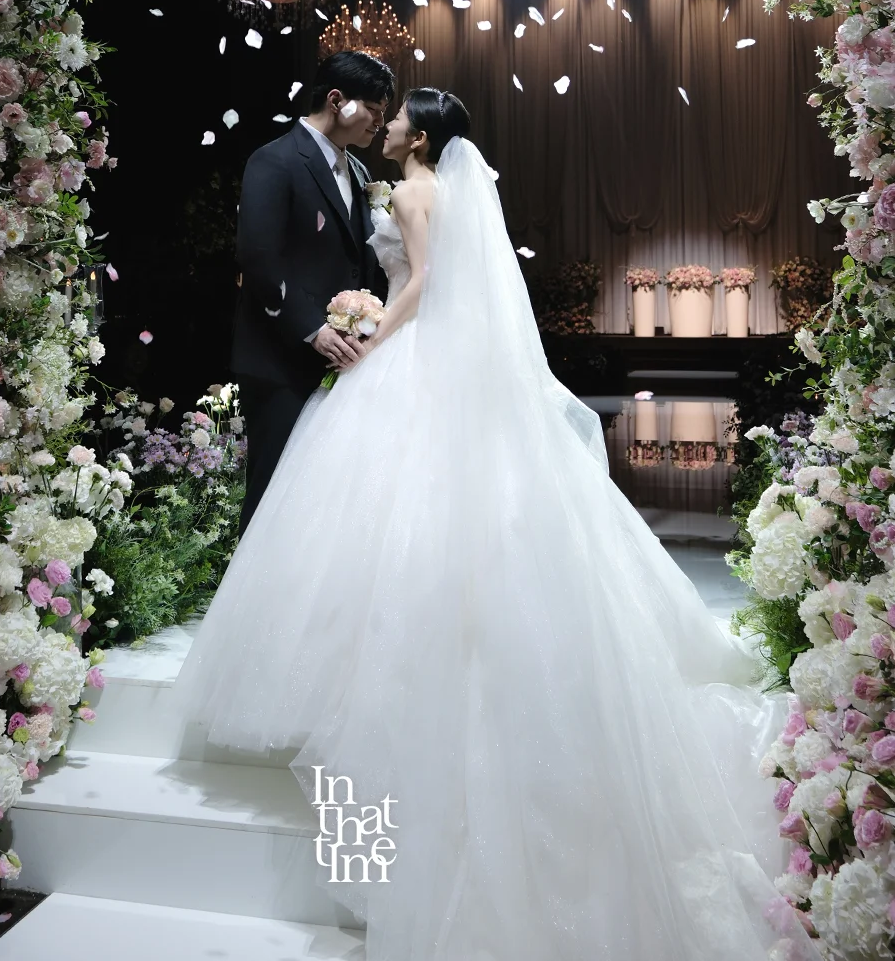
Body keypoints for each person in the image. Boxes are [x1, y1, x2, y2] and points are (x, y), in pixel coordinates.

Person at [171, 87, 822, 961]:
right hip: (428, 352)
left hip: (405, 350)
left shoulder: (412, 191)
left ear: (420, 136)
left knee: (377, 509)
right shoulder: (438, 187)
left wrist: (372, 333)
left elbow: (422, 281)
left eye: (398, 117)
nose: (386, 123)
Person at [231, 49, 394, 536]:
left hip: (346, 360)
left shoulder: (360, 172)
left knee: (328, 506)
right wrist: (313, 330)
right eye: (374, 110)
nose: (380, 123)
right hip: (281, 360)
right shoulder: (274, 160)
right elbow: (258, 259)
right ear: (338, 100)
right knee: (273, 496)